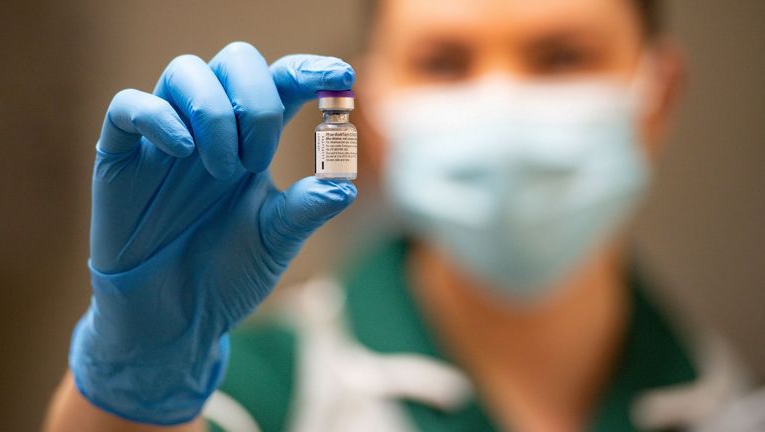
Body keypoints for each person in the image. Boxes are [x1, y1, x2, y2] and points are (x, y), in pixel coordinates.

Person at [43, 0, 757, 431]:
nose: (500, 106)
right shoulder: (259, 389)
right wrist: (134, 394)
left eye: (561, 57)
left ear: (657, 96)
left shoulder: (726, 402)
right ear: (372, 110)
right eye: (444, 62)